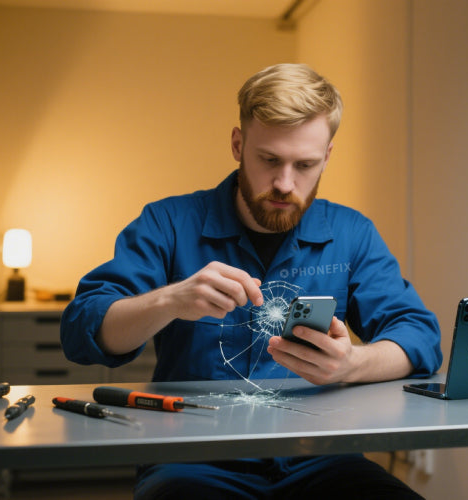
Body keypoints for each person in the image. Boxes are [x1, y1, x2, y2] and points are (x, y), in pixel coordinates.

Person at [61, 63, 442, 500]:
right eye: (269, 160)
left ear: (327, 156)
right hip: (194, 460)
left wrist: (352, 364)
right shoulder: (168, 223)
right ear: (238, 145)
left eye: (305, 165)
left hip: (322, 458)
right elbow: (82, 329)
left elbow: (419, 337)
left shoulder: (351, 233)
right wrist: (169, 301)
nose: (284, 183)